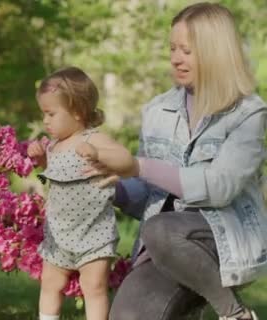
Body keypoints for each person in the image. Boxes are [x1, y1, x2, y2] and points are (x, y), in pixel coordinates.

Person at [82, 3, 266, 320]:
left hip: (226, 241)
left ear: (215, 52)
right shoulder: (157, 111)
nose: (175, 58)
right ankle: (193, 298)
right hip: (163, 245)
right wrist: (111, 189)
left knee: (162, 229)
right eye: (172, 48)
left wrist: (138, 166)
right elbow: (147, 195)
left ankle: (233, 312)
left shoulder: (248, 113)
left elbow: (221, 188)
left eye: (186, 50)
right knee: (126, 316)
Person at [27, 66, 136, 320]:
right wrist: (44, 161)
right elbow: (56, 177)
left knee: (94, 288)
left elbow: (125, 158)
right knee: (50, 284)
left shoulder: (93, 139)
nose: (45, 121)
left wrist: (98, 154)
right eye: (44, 114)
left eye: (51, 114)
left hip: (93, 234)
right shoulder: (54, 146)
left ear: (77, 111)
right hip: (59, 234)